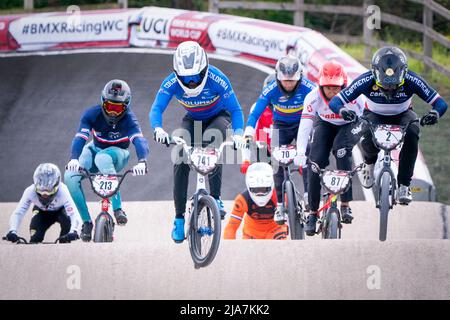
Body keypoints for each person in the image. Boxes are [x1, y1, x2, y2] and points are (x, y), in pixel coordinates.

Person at [149, 41, 246, 243]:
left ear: (205, 68)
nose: (191, 82)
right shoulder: (170, 83)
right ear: (177, 73)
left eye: (195, 77)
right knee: (181, 158)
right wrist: (158, 129)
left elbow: (236, 110)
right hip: (192, 120)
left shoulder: (218, 79)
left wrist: (238, 134)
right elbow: (156, 108)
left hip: (219, 116)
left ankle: (216, 198)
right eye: (186, 78)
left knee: (213, 142)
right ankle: (178, 218)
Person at [329, 46, 448, 204]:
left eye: (394, 86)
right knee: (366, 137)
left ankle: (404, 184)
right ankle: (370, 163)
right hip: (373, 114)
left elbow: (441, 103)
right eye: (385, 86)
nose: (390, 90)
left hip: (403, 114)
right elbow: (335, 101)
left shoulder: (413, 79)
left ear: (403, 75)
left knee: (413, 132)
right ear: (375, 74)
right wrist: (343, 110)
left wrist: (434, 114)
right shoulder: (365, 80)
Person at [65, 79, 149, 242]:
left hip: (119, 154)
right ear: (103, 102)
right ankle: (87, 222)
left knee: (102, 158)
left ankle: (118, 209)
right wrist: (74, 159)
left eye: (117, 108)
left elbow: (140, 141)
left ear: (126, 106)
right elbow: (80, 138)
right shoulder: (91, 114)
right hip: (94, 148)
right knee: (70, 176)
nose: (113, 113)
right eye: (110, 106)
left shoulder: (130, 119)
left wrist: (142, 161)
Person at [244, 55, 316, 225]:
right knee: (276, 162)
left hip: (302, 123)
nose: (289, 84)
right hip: (281, 125)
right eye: (285, 81)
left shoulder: (309, 87)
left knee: (306, 156)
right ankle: (280, 205)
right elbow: (255, 113)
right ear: (277, 77)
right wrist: (248, 131)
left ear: (300, 77)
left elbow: (322, 105)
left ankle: (308, 196)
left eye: (292, 81)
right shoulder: (270, 89)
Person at [295, 60, 365, 236]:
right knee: (314, 163)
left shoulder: (356, 97)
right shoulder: (312, 97)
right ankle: (312, 212)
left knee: (341, 150)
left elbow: (366, 121)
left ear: (344, 85)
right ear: (320, 86)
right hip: (325, 123)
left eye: (336, 88)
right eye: (328, 88)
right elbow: (305, 126)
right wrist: (300, 152)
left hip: (349, 125)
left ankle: (346, 203)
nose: (332, 92)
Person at [4, 163, 81, 244]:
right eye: (41, 192)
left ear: (57, 185)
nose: (45, 195)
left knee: (65, 238)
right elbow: (19, 212)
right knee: (35, 239)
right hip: (41, 212)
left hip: (61, 212)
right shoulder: (30, 191)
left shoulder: (63, 191)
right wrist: (12, 231)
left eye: (49, 192)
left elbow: (74, 213)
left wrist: (74, 231)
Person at [224, 162, 288, 240]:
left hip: (275, 231)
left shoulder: (280, 197)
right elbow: (232, 227)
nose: (260, 194)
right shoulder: (242, 200)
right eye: (256, 190)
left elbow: (293, 218)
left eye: (264, 189)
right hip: (251, 235)